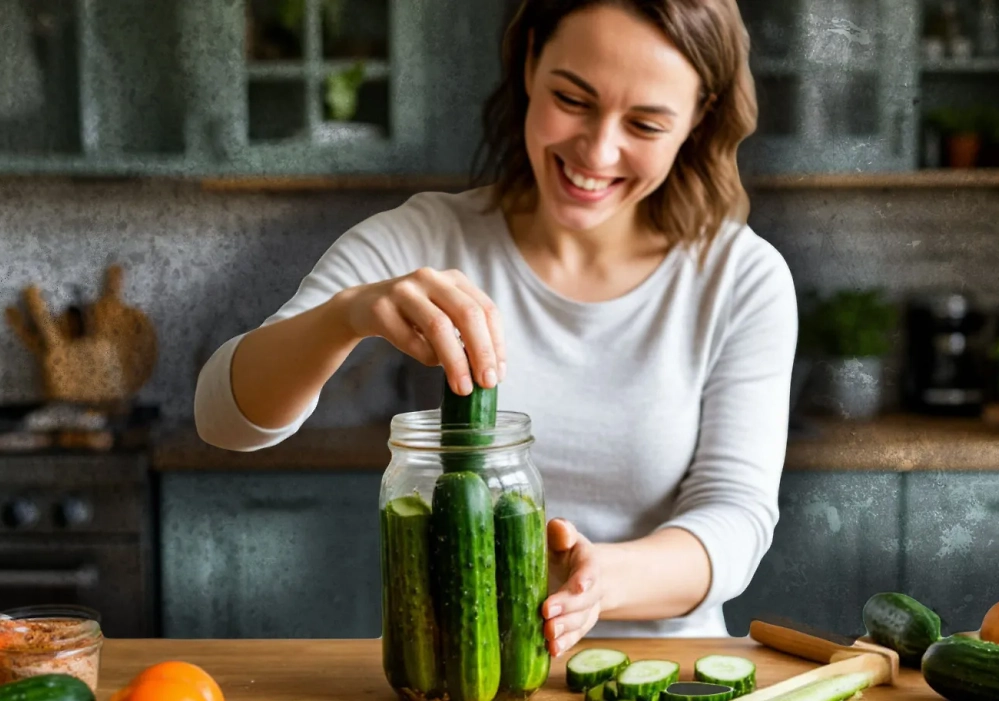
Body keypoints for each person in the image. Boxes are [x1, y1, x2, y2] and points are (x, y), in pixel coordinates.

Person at [195, 0, 797, 653]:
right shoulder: (426, 237)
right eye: (573, 98)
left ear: (699, 117)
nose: (597, 151)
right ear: (531, 60)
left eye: (646, 123)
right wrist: (346, 314)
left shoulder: (741, 277)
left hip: (664, 668)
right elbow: (223, 418)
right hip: (458, 668)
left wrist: (601, 581)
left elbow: (736, 516)